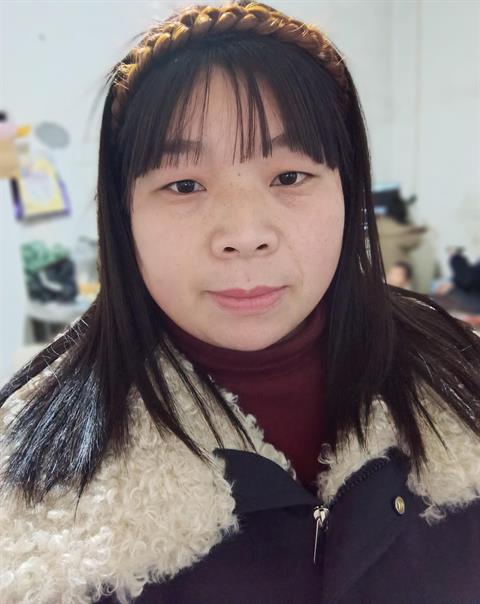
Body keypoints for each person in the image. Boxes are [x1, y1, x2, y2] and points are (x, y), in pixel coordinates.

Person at [1, 2, 480, 603]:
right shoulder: (27, 479)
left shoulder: (462, 382)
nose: (244, 233)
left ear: (348, 190)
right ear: (123, 217)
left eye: (289, 177)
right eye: (183, 185)